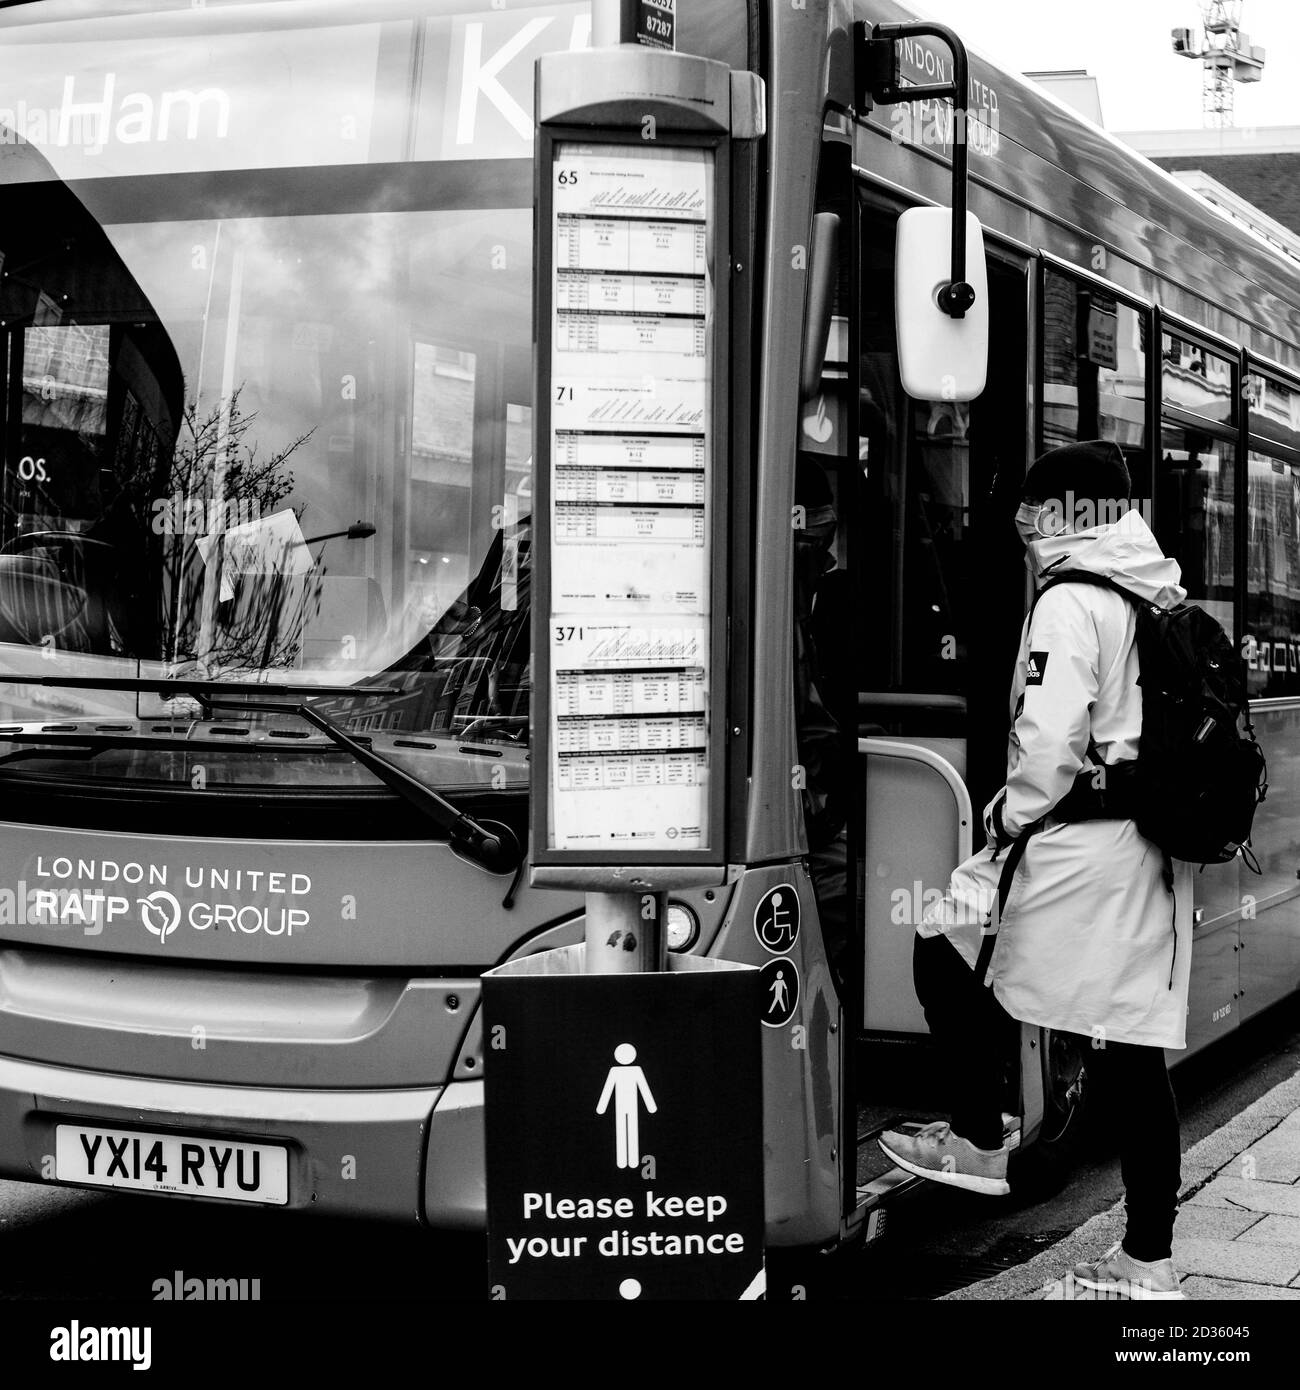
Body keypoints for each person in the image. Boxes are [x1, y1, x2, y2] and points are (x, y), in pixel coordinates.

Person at [878, 439, 1192, 1301]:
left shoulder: (1069, 600)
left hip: (1075, 845)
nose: (1022, 523)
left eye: (1033, 507)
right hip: (1145, 853)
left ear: (1066, 513)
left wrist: (1008, 815)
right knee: (1132, 1052)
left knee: (943, 939)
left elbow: (1049, 738)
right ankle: (1147, 1260)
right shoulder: (1151, 587)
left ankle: (980, 1141)